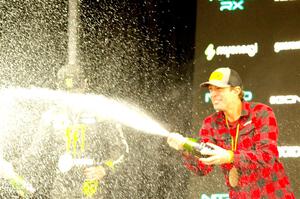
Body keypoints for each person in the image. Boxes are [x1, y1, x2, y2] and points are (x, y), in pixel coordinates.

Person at [167, 67, 295, 199]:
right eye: (211, 89)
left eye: (219, 89)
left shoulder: (261, 112)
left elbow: (267, 156)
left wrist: (230, 156)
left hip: (273, 195)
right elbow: (202, 168)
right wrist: (185, 147)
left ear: (236, 91)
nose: (213, 94)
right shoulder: (210, 123)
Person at [23, 65, 129, 198]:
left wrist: (105, 168)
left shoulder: (101, 113)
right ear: (58, 87)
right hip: (62, 191)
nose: (71, 97)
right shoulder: (51, 116)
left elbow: (121, 150)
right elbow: (35, 153)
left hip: (94, 189)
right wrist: (12, 168)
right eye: (66, 92)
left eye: (75, 91)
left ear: (85, 84)